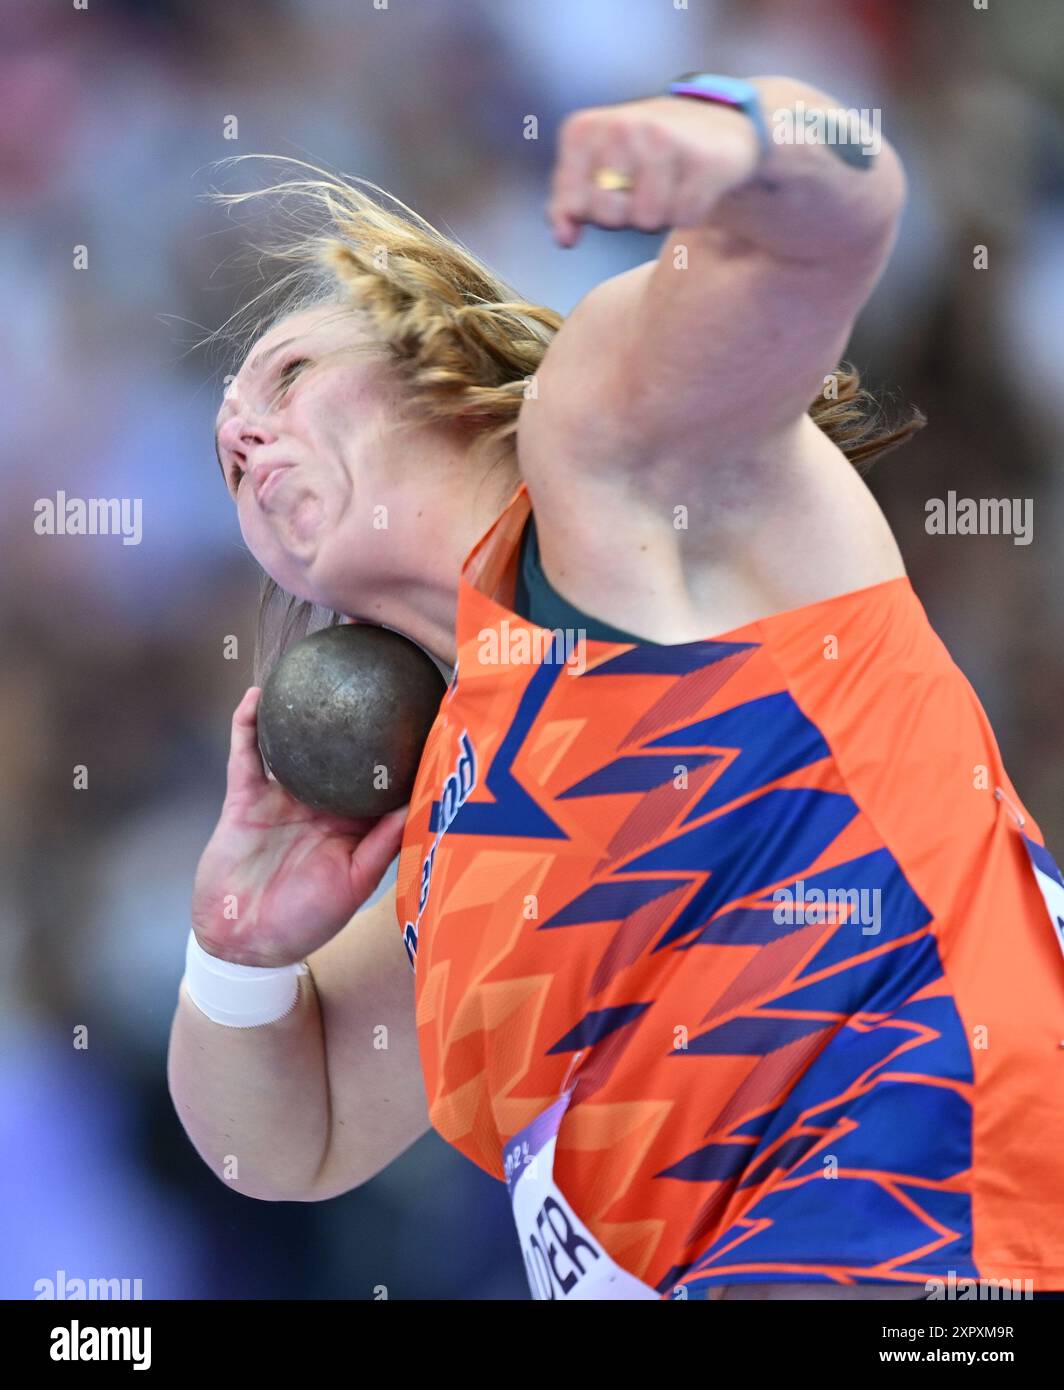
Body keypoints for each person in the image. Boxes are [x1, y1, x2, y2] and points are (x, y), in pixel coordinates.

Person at [168, 73, 1064, 1300]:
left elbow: (844, 202)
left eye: (284, 377)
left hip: (950, 1232)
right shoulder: (447, 823)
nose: (241, 433)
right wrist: (237, 954)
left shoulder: (613, 460)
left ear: (436, 347)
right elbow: (286, 1138)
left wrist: (731, 133)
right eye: (226, 452)